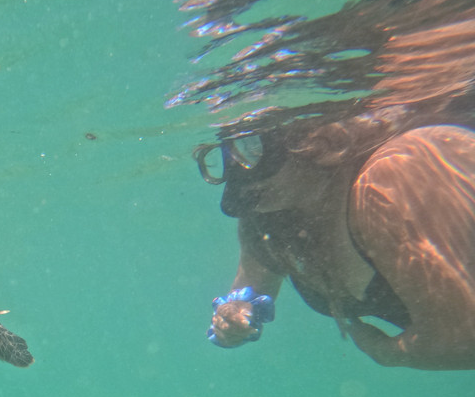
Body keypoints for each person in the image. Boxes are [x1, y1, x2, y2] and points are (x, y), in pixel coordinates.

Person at [198, 106, 475, 369]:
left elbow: (462, 338)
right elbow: (249, 294)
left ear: (318, 139)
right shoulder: (264, 214)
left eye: (253, 148)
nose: (241, 177)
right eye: (232, 155)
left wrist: (388, 353)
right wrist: (233, 316)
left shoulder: (392, 179)